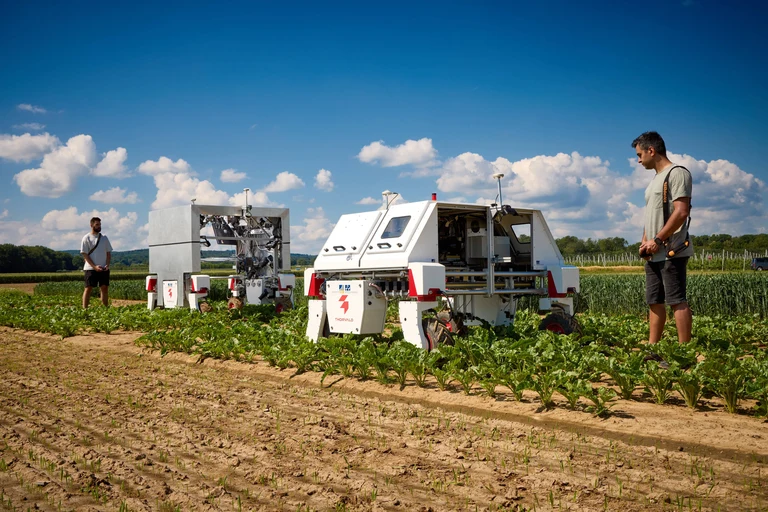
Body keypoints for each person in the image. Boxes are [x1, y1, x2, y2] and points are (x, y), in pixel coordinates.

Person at [633, 131, 694, 355]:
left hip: (671, 249)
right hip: (653, 251)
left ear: (652, 150)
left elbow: (681, 212)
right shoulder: (655, 180)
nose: (639, 160)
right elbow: (652, 214)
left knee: (677, 300)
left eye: (640, 155)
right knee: (654, 301)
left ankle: (683, 353)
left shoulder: (677, 174)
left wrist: (658, 239)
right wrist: (644, 242)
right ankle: (653, 350)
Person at [81, 217, 113, 308]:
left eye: (100, 225)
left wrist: (107, 265)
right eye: (97, 225)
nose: (99, 226)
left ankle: (105, 309)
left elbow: (108, 253)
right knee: (88, 288)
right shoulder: (86, 238)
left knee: (104, 288)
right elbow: (85, 255)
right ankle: (85, 309)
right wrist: (94, 267)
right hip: (90, 268)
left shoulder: (104, 238)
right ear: (91, 225)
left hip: (103, 268)